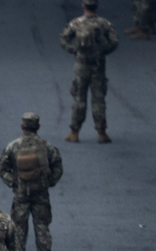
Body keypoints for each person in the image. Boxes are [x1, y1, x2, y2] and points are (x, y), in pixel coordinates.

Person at [0, 114, 63, 251]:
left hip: (21, 194)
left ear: (22, 127)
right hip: (41, 193)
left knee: (19, 227)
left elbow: (3, 169)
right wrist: (49, 182)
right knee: (42, 226)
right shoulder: (46, 146)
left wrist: (14, 183)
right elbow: (57, 167)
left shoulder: (13, 146)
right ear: (38, 127)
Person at [60, 0, 119, 143]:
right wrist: (103, 51)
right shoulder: (104, 23)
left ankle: (74, 132)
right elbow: (114, 41)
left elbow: (64, 39)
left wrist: (73, 50)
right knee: (98, 99)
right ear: (96, 7)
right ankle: (101, 132)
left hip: (81, 66)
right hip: (98, 66)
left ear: (83, 6)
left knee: (79, 98)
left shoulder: (76, 23)